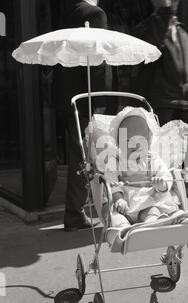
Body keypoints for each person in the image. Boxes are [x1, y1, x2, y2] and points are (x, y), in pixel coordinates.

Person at [53, 0, 112, 232]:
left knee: (81, 156)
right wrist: (101, 102)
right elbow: (97, 60)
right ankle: (78, 213)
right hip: (86, 99)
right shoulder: (95, 14)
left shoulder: (69, 15)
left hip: (68, 99)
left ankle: (79, 210)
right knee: (89, 157)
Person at [131, 0, 188, 130]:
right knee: (163, 148)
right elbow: (151, 52)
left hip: (186, 106)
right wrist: (165, 12)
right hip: (162, 104)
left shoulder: (182, 32)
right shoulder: (149, 28)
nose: (173, 3)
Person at [104, 107, 180, 227]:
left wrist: (162, 184)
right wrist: (118, 198)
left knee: (152, 210)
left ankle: (152, 224)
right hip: (125, 204)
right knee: (114, 215)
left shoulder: (153, 159)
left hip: (148, 200)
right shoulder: (115, 161)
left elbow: (165, 174)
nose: (134, 145)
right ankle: (124, 229)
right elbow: (110, 181)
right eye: (128, 140)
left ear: (149, 141)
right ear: (118, 142)